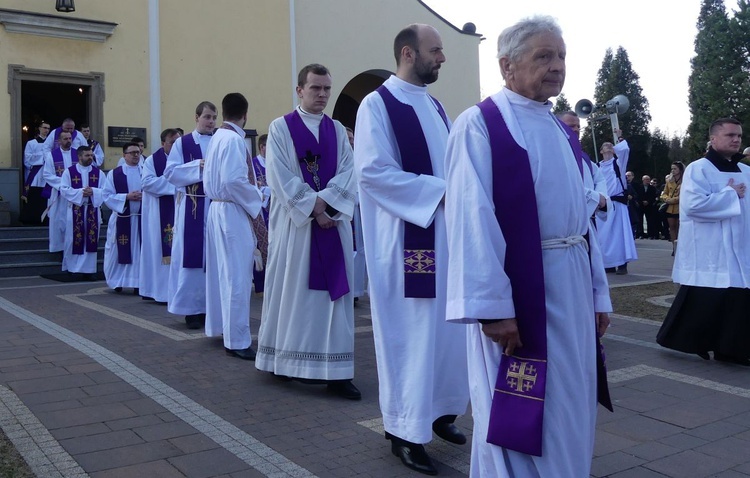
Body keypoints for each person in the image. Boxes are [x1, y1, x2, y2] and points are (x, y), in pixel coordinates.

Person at [444, 16, 612, 477]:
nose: (557, 66)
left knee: (570, 405)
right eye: (544, 56)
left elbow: (580, 222)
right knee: (521, 413)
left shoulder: (560, 130)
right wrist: (494, 308)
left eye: (561, 56)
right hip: (520, 297)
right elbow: (470, 220)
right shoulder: (480, 124)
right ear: (507, 65)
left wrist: (599, 293)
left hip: (571, 289)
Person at [354, 24, 469, 475]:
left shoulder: (436, 105)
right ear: (408, 52)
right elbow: (373, 172)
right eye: (435, 50)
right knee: (410, 337)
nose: (442, 58)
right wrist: (442, 194)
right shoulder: (376, 105)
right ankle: (404, 431)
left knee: (445, 333)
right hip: (406, 242)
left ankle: (437, 412)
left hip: (442, 236)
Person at [255, 64, 361, 400]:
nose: (323, 95)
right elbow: (280, 176)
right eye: (315, 88)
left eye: (327, 89)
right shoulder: (280, 128)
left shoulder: (337, 130)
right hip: (296, 229)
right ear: (299, 90)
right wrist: (316, 209)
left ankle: (337, 372)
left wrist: (328, 207)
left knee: (335, 297)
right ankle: (285, 360)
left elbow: (349, 172)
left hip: (333, 223)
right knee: (293, 292)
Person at [657, 117, 749, 366]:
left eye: (739, 135)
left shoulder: (746, 171)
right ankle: (689, 341)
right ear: (713, 139)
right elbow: (694, 206)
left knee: (736, 300)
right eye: (730, 135)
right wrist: (730, 194)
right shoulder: (699, 169)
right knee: (706, 298)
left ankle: (730, 349)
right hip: (710, 247)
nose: (736, 139)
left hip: (740, 246)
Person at [204, 93, 265, 360]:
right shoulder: (233, 140)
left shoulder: (218, 137)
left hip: (218, 208)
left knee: (224, 274)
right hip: (230, 210)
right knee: (237, 277)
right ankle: (237, 340)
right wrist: (258, 196)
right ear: (245, 114)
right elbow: (233, 181)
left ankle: (224, 329)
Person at [164, 101, 217, 329]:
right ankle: (191, 310)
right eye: (207, 117)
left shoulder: (219, 141)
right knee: (191, 259)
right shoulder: (183, 144)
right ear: (196, 118)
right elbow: (170, 173)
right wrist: (198, 166)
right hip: (192, 208)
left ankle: (211, 309)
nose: (211, 122)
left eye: (214, 117)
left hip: (215, 206)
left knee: (213, 260)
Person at [139, 128, 180, 303]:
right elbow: (147, 183)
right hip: (157, 214)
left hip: (179, 211)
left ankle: (176, 291)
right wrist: (173, 180)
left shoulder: (183, 159)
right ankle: (159, 291)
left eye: (178, 142)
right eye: (172, 142)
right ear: (163, 143)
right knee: (158, 251)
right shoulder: (151, 161)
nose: (176, 145)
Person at [59, 146, 105, 277]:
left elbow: (106, 190)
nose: (90, 158)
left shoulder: (98, 173)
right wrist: (81, 193)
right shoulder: (69, 172)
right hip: (75, 209)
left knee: (91, 239)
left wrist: (94, 192)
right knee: (73, 238)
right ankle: (73, 268)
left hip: (92, 209)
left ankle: (89, 270)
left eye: (91, 155)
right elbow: (64, 189)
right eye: (87, 155)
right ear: (79, 157)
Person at [103, 142, 143, 294]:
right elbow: (106, 195)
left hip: (140, 219)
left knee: (138, 252)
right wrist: (127, 196)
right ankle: (116, 282)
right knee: (115, 250)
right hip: (122, 218)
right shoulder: (115, 174)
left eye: (138, 152)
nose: (135, 155)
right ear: (124, 155)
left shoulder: (145, 172)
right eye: (132, 152)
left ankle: (137, 283)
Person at [556, 111, 611, 221]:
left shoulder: (585, 159)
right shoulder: (554, 154)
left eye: (578, 126)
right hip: (565, 222)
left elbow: (599, 179)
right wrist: (595, 198)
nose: (576, 129)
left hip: (589, 224)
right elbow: (561, 186)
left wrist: (602, 199)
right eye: (571, 126)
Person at [596, 135, 637, 274]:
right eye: (604, 145)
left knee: (620, 234)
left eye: (610, 145)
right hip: (603, 206)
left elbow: (625, 150)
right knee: (604, 235)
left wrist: (619, 138)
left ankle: (622, 264)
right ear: (601, 151)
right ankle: (609, 263)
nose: (607, 146)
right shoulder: (597, 167)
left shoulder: (618, 164)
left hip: (618, 204)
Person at [42, 131, 77, 253]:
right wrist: (64, 184)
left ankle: (73, 247)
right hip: (59, 194)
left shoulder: (77, 153)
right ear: (59, 141)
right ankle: (59, 249)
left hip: (74, 194)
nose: (68, 140)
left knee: (73, 220)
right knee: (58, 221)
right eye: (65, 138)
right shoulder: (52, 155)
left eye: (70, 138)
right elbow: (47, 174)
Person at [346, 126, 367, 300]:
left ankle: (357, 291)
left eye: (352, 138)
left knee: (360, 252)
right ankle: (349, 290)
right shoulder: (338, 158)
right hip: (346, 209)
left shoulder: (359, 157)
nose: (351, 141)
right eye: (348, 138)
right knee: (348, 251)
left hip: (360, 210)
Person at [250, 133, 271, 294]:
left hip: (274, 211)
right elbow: (251, 186)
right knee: (260, 245)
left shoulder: (274, 163)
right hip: (259, 211)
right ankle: (261, 285)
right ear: (262, 147)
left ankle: (273, 284)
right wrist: (266, 191)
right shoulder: (253, 164)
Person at [20, 121, 51, 224]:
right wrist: (42, 157)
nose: (46, 130)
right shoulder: (31, 143)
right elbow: (27, 158)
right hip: (35, 173)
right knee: (34, 195)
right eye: (44, 128)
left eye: (48, 128)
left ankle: (46, 218)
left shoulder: (51, 144)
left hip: (47, 172)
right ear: (39, 128)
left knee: (45, 196)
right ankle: (31, 218)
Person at [661, 161, 684, 256]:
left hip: (680, 207)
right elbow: (664, 193)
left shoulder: (685, 180)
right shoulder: (669, 181)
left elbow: (686, 194)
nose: (673, 171)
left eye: (675, 169)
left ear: (680, 170)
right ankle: (674, 247)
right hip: (670, 207)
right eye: (672, 169)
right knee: (672, 227)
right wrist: (666, 199)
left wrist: (674, 200)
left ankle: (680, 247)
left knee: (679, 227)